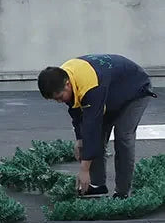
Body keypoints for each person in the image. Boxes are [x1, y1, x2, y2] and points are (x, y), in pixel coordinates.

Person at [37, 54, 157, 198]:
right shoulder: (62, 77)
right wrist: (79, 139)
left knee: (123, 137)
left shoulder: (90, 86)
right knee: (96, 136)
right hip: (111, 92)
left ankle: (122, 192)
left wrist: (84, 170)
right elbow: (76, 111)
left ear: (67, 84)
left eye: (60, 97)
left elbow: (91, 127)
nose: (59, 102)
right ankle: (98, 185)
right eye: (55, 99)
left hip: (135, 90)